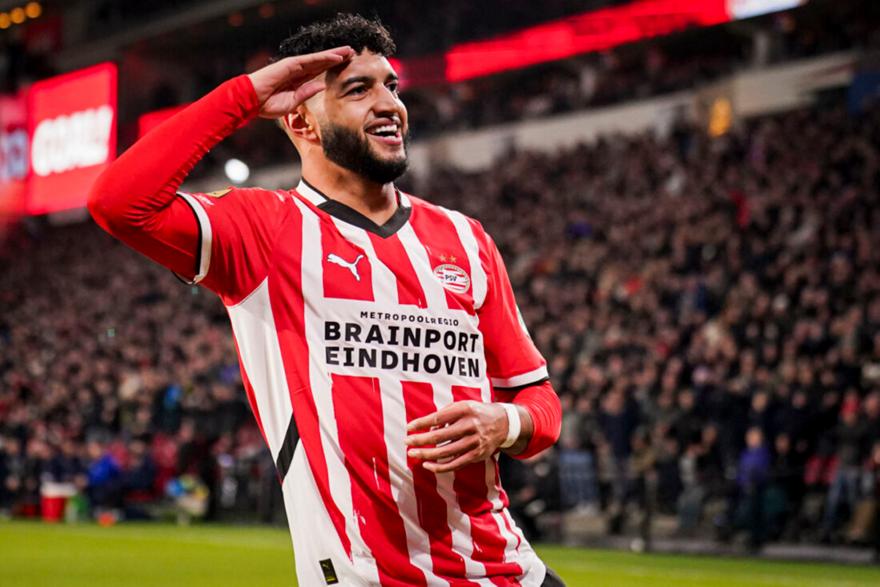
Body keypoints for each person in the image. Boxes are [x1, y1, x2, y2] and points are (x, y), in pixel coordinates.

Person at [88, 14, 563, 587]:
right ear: (299, 120)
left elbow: (539, 403)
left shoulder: (466, 239)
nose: (389, 104)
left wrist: (504, 421)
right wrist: (244, 97)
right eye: (358, 90)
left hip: (508, 572)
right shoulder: (262, 229)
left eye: (391, 85)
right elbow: (118, 203)